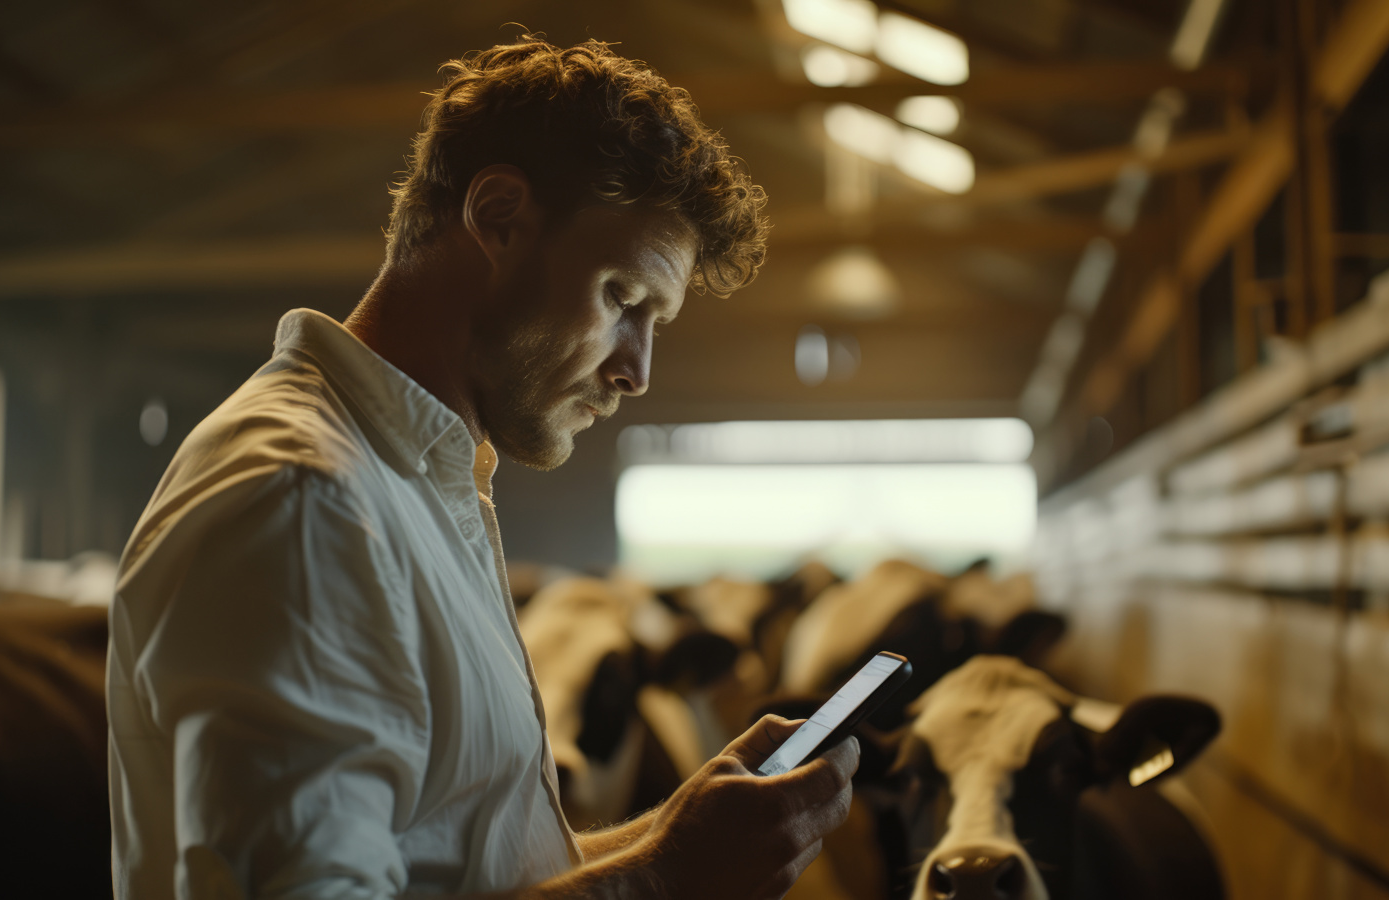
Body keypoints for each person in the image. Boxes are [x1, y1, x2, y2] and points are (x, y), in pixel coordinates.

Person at [106, 37, 859, 900]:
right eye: (622, 299)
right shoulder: (304, 496)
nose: (636, 372)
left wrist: (673, 826)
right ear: (498, 217)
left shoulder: (411, 482)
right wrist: (662, 881)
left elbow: (459, 863)